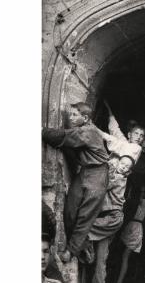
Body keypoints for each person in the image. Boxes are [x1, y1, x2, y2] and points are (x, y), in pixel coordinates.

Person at [42, 102, 109, 263]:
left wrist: (41, 131)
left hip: (98, 174)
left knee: (85, 216)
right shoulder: (82, 130)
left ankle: (71, 251)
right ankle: (82, 245)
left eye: (74, 115)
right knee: (70, 211)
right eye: (70, 114)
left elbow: (62, 137)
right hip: (86, 171)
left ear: (85, 118)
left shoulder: (88, 131)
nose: (70, 118)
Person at [88, 155, 134, 283]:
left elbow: (104, 185)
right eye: (123, 163)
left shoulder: (119, 178)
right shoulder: (116, 175)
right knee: (102, 256)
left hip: (113, 217)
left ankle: (87, 248)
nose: (124, 167)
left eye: (127, 167)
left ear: (128, 171)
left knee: (84, 227)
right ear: (119, 162)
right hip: (106, 217)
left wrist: (111, 164)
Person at [114, 185, 145, 283]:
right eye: (141, 191)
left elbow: (133, 202)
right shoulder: (134, 202)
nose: (142, 193)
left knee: (125, 256)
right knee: (122, 254)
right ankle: (119, 282)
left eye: (144, 192)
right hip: (131, 226)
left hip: (135, 228)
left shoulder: (144, 202)